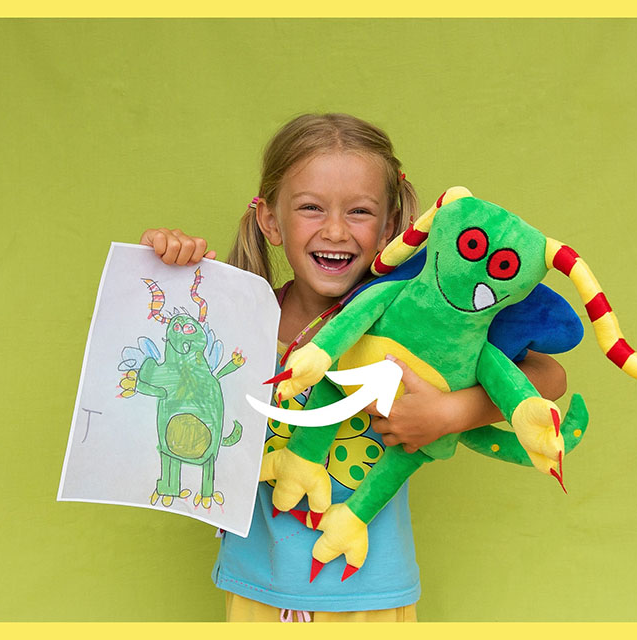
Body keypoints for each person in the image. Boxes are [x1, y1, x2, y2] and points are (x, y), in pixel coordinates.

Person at [140, 113, 572, 622]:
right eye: (310, 208)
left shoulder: (416, 328)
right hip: (255, 586)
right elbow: (162, 342)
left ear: (392, 227)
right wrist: (167, 266)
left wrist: (450, 414)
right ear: (271, 221)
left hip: (371, 591)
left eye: (360, 211)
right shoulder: (236, 319)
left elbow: (549, 377)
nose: (336, 230)